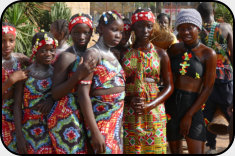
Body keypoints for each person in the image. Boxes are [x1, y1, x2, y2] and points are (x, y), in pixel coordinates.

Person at [122, 8, 174, 154]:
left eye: (149, 26)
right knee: (132, 149)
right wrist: (129, 99)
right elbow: (119, 84)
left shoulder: (161, 53)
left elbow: (169, 87)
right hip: (130, 109)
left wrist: (150, 105)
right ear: (133, 27)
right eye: (140, 26)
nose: (145, 30)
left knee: (154, 149)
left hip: (154, 108)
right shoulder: (124, 54)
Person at [165, 9, 217, 154]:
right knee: (175, 150)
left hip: (193, 106)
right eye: (181, 28)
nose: (185, 32)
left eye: (189, 28)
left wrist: (189, 115)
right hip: (172, 105)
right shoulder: (174, 49)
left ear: (198, 28)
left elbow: (207, 88)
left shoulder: (208, 54)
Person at [77, 10, 125, 154]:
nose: (118, 35)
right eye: (114, 30)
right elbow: (83, 94)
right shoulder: (93, 54)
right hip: (100, 121)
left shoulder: (112, 54)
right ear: (101, 29)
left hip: (116, 120)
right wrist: (95, 131)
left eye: (121, 32)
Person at [47, 13, 96, 154]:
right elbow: (55, 93)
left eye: (85, 33)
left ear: (91, 33)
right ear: (70, 33)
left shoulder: (92, 53)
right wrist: (78, 75)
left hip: (87, 113)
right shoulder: (66, 57)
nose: (81, 37)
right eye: (76, 33)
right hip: (67, 118)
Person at [197, 2, 233, 154]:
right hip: (226, 77)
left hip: (207, 79)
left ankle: (211, 146)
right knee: (230, 112)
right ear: (213, 11)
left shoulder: (197, 31)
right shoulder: (225, 28)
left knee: (207, 113)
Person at [13, 31, 57, 154]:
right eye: (43, 50)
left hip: (52, 128)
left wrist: (51, 100)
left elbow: (62, 95)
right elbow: (17, 106)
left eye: (51, 50)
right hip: (29, 128)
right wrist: (20, 136)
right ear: (34, 50)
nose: (48, 54)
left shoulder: (56, 73)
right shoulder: (25, 74)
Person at [2, 22, 30, 153]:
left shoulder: (19, 59)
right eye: (2, 41)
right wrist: (11, 80)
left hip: (16, 114)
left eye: (11, 40)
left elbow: (39, 66)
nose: (7, 45)